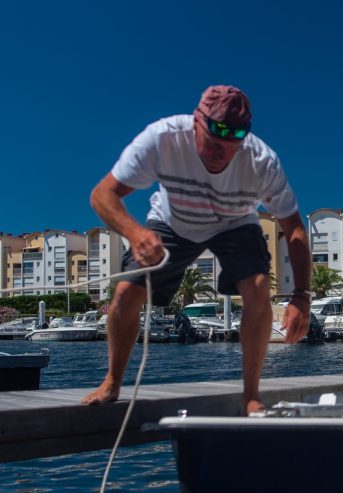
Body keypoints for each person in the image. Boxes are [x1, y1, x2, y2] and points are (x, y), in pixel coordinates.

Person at [81, 85, 311, 415]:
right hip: (173, 221)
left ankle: (251, 395)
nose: (221, 152)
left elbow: (295, 230)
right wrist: (135, 233)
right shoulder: (162, 138)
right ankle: (112, 382)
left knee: (258, 288)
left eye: (232, 144)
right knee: (125, 294)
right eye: (213, 141)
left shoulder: (261, 160)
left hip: (235, 223)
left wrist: (301, 296)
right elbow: (102, 194)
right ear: (195, 123)